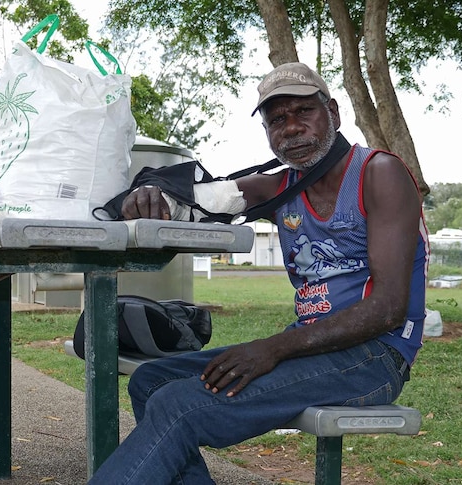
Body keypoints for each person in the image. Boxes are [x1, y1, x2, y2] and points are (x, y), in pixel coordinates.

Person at [88, 62, 429, 484]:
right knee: (152, 381)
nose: (290, 128)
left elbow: (388, 308)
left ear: (334, 114)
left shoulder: (379, 174)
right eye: (277, 120)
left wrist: (273, 348)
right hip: (313, 348)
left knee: (181, 406)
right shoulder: (279, 186)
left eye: (304, 112)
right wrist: (148, 193)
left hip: (375, 357)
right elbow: (199, 197)